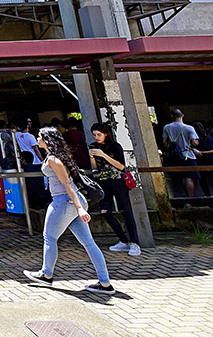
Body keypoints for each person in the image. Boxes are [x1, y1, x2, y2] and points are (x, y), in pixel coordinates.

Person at [23, 127, 115, 295]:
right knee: (89, 243)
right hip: (73, 202)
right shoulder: (58, 157)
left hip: (64, 202)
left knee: (49, 238)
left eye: (40, 136)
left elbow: (67, 184)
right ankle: (105, 283)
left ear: (47, 139)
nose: (37, 139)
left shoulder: (53, 159)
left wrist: (79, 209)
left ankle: (46, 274)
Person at [88, 123, 141, 256]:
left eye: (99, 135)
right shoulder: (94, 146)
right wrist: (92, 156)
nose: (96, 137)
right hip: (103, 182)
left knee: (126, 211)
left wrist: (103, 155)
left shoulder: (115, 146)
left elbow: (121, 166)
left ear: (106, 134)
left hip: (118, 181)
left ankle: (134, 242)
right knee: (105, 211)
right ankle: (123, 240)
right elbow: (96, 167)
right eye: (94, 135)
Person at [162, 108, 199, 198]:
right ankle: (191, 198)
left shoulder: (167, 127)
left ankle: (185, 198)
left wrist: (170, 149)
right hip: (187, 155)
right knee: (189, 178)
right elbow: (194, 142)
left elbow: (164, 141)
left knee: (182, 177)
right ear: (182, 115)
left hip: (175, 155)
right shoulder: (188, 128)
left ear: (172, 116)